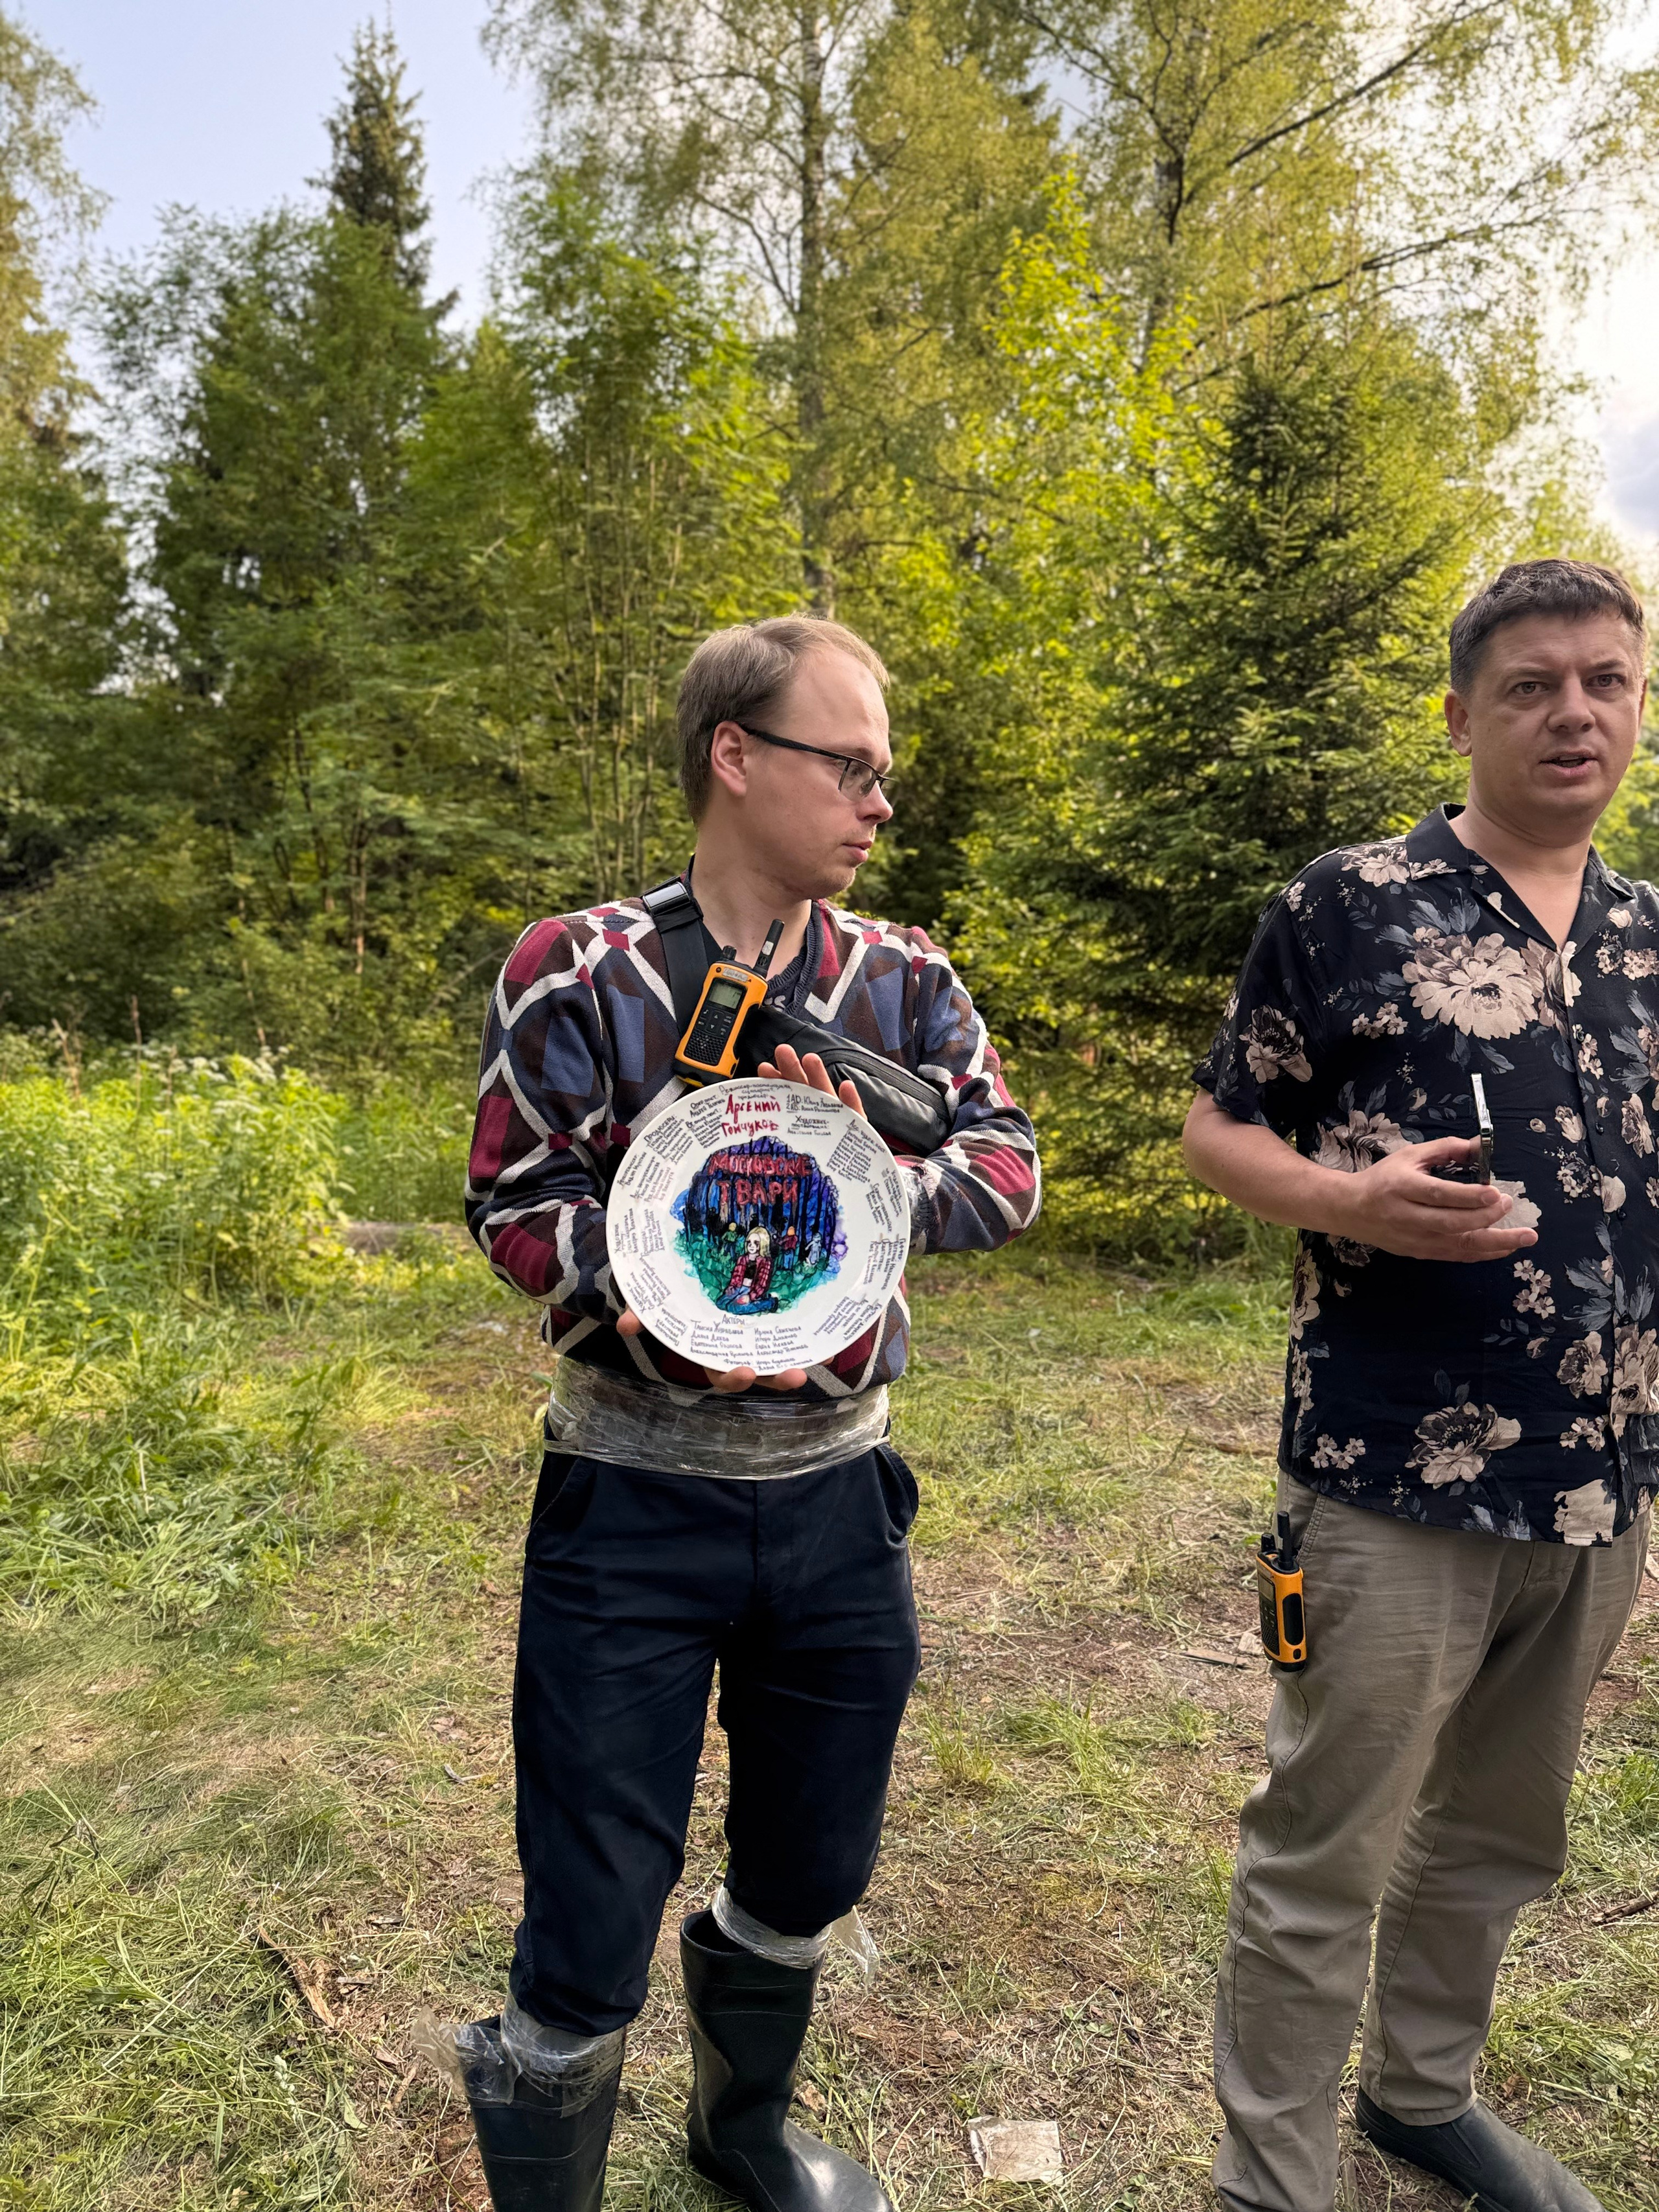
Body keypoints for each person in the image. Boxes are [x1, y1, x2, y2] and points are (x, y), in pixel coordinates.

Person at [457, 615, 1041, 2211]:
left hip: (843, 1500)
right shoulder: (572, 968)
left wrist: (872, 1189)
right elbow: (510, 1201)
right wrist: (661, 1253)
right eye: (847, 766)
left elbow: (1007, 1168)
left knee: (811, 1863)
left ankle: (741, 2131)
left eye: (882, 776)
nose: (876, 804)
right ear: (735, 755)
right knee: (588, 1902)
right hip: (630, 1495)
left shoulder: (902, 981)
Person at [1183, 558, 1655, 2212]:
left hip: (1602, 1491)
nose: (1571, 712)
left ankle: (1422, 2095)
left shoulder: (1647, 936)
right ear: (1460, 714)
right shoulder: (1346, 903)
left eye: (1603, 680)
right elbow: (1216, 1126)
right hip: (1392, 1483)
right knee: (1326, 1849)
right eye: (1530, 685)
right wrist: (1343, 1199)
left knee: (1501, 1838)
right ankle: (1274, 2184)